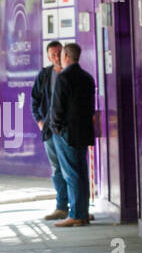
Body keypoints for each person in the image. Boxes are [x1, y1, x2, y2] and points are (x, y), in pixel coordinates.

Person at [49, 42, 96, 227]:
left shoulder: (63, 78)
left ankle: (76, 214)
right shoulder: (88, 78)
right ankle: (83, 213)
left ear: (66, 56)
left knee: (71, 173)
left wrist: (56, 128)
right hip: (83, 131)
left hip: (66, 133)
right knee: (81, 173)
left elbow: (57, 107)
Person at [31, 40, 68, 221]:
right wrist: (40, 122)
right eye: (52, 54)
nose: (56, 57)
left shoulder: (70, 73)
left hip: (67, 131)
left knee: (71, 168)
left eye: (58, 53)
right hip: (49, 131)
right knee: (56, 168)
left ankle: (76, 206)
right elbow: (34, 101)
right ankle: (61, 206)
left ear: (64, 53)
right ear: (48, 56)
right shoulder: (44, 75)